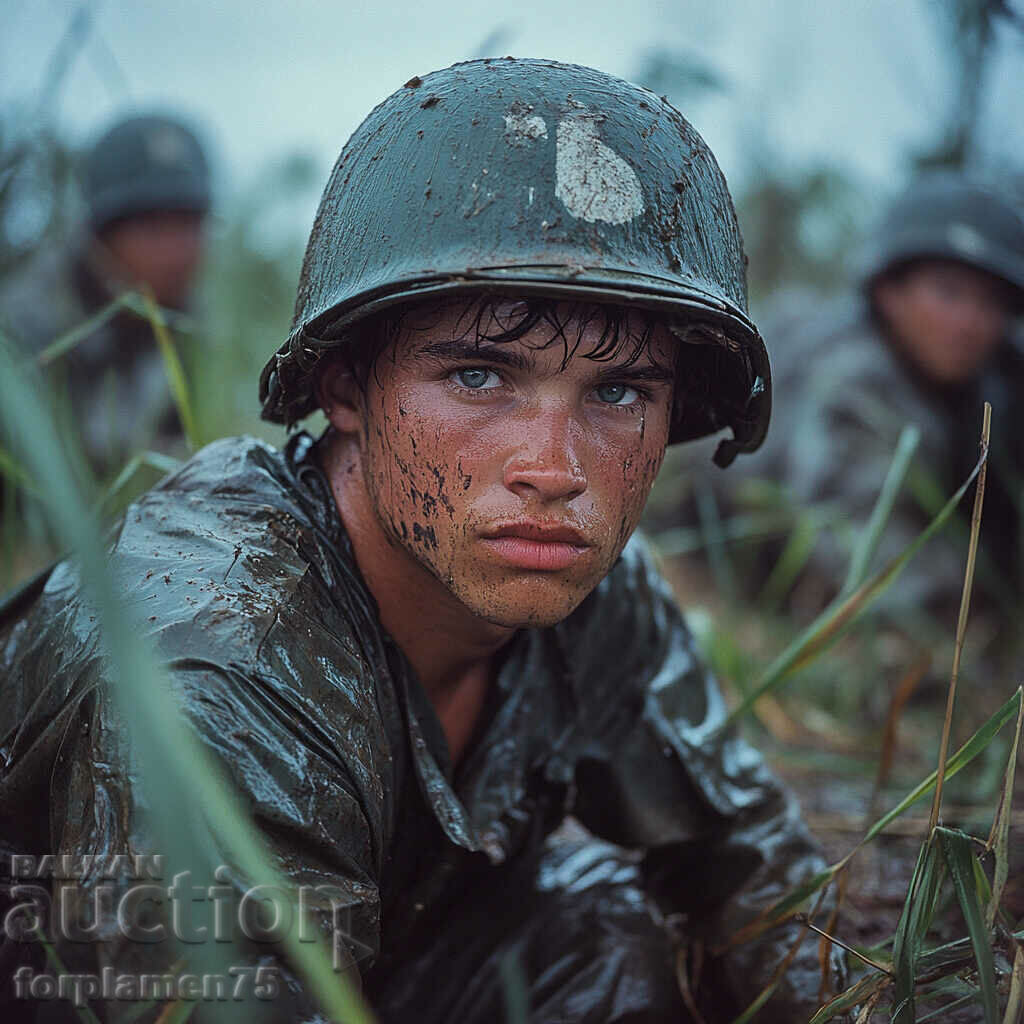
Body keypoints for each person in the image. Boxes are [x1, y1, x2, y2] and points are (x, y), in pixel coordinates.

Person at [1, 59, 844, 1022]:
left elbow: (754, 864)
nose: (555, 467)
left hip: (395, 958)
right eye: (480, 378)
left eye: (618, 393)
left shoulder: (596, 594)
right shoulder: (213, 664)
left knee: (611, 947)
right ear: (346, 389)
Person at [667, 174, 1024, 624]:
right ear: (889, 294)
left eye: (992, 304)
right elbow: (876, 564)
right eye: (949, 293)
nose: (971, 322)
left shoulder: (992, 378)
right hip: (722, 546)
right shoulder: (856, 379)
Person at [0, 112, 211, 476]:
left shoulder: (173, 313)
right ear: (102, 235)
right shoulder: (26, 331)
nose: (178, 252)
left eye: (189, 224)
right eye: (152, 227)